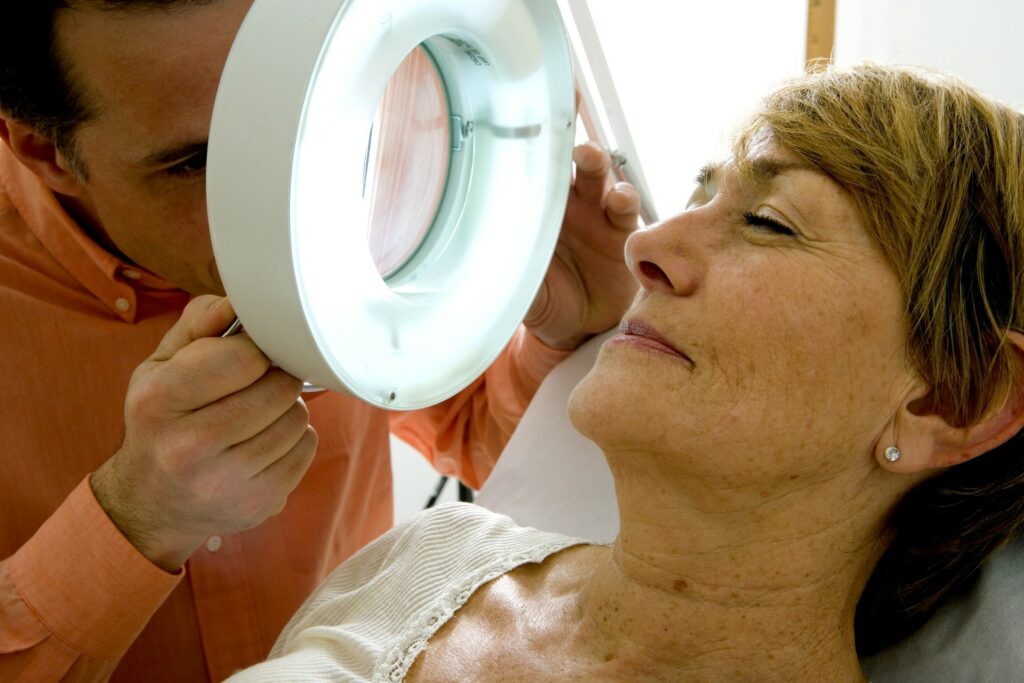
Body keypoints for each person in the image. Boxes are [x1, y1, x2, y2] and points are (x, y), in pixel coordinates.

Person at [229, 63, 1024, 682]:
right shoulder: (432, 555)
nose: (644, 247)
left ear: (952, 399)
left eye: (769, 223)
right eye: (697, 194)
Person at [0, 1, 640, 681]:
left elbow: (478, 433)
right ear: (45, 153)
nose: (284, 201)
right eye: (199, 162)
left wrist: (565, 341)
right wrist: (135, 515)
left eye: (297, 114)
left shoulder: (380, 136)